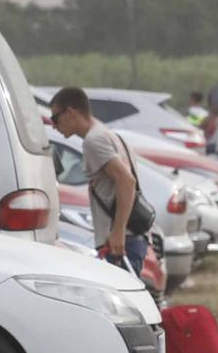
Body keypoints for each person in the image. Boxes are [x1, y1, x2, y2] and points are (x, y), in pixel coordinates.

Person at [50, 86, 148, 274]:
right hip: (129, 238)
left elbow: (127, 181)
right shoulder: (109, 135)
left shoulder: (94, 141)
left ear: (70, 112)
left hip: (119, 242)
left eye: (55, 119)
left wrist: (118, 232)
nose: (54, 125)